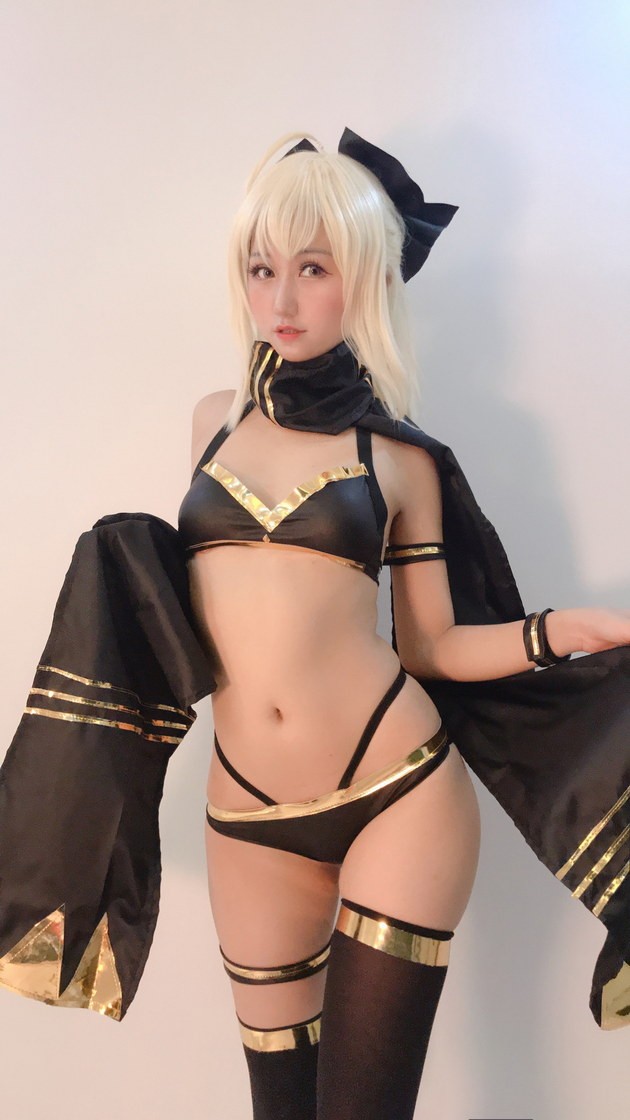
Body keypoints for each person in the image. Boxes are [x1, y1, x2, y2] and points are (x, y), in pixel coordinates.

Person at [177, 128, 630, 1119]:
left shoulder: (399, 455)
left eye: (313, 269)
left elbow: (431, 648)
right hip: (246, 816)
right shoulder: (212, 421)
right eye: (261, 268)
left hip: (397, 794)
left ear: (369, 279)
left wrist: (566, 629)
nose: (281, 299)